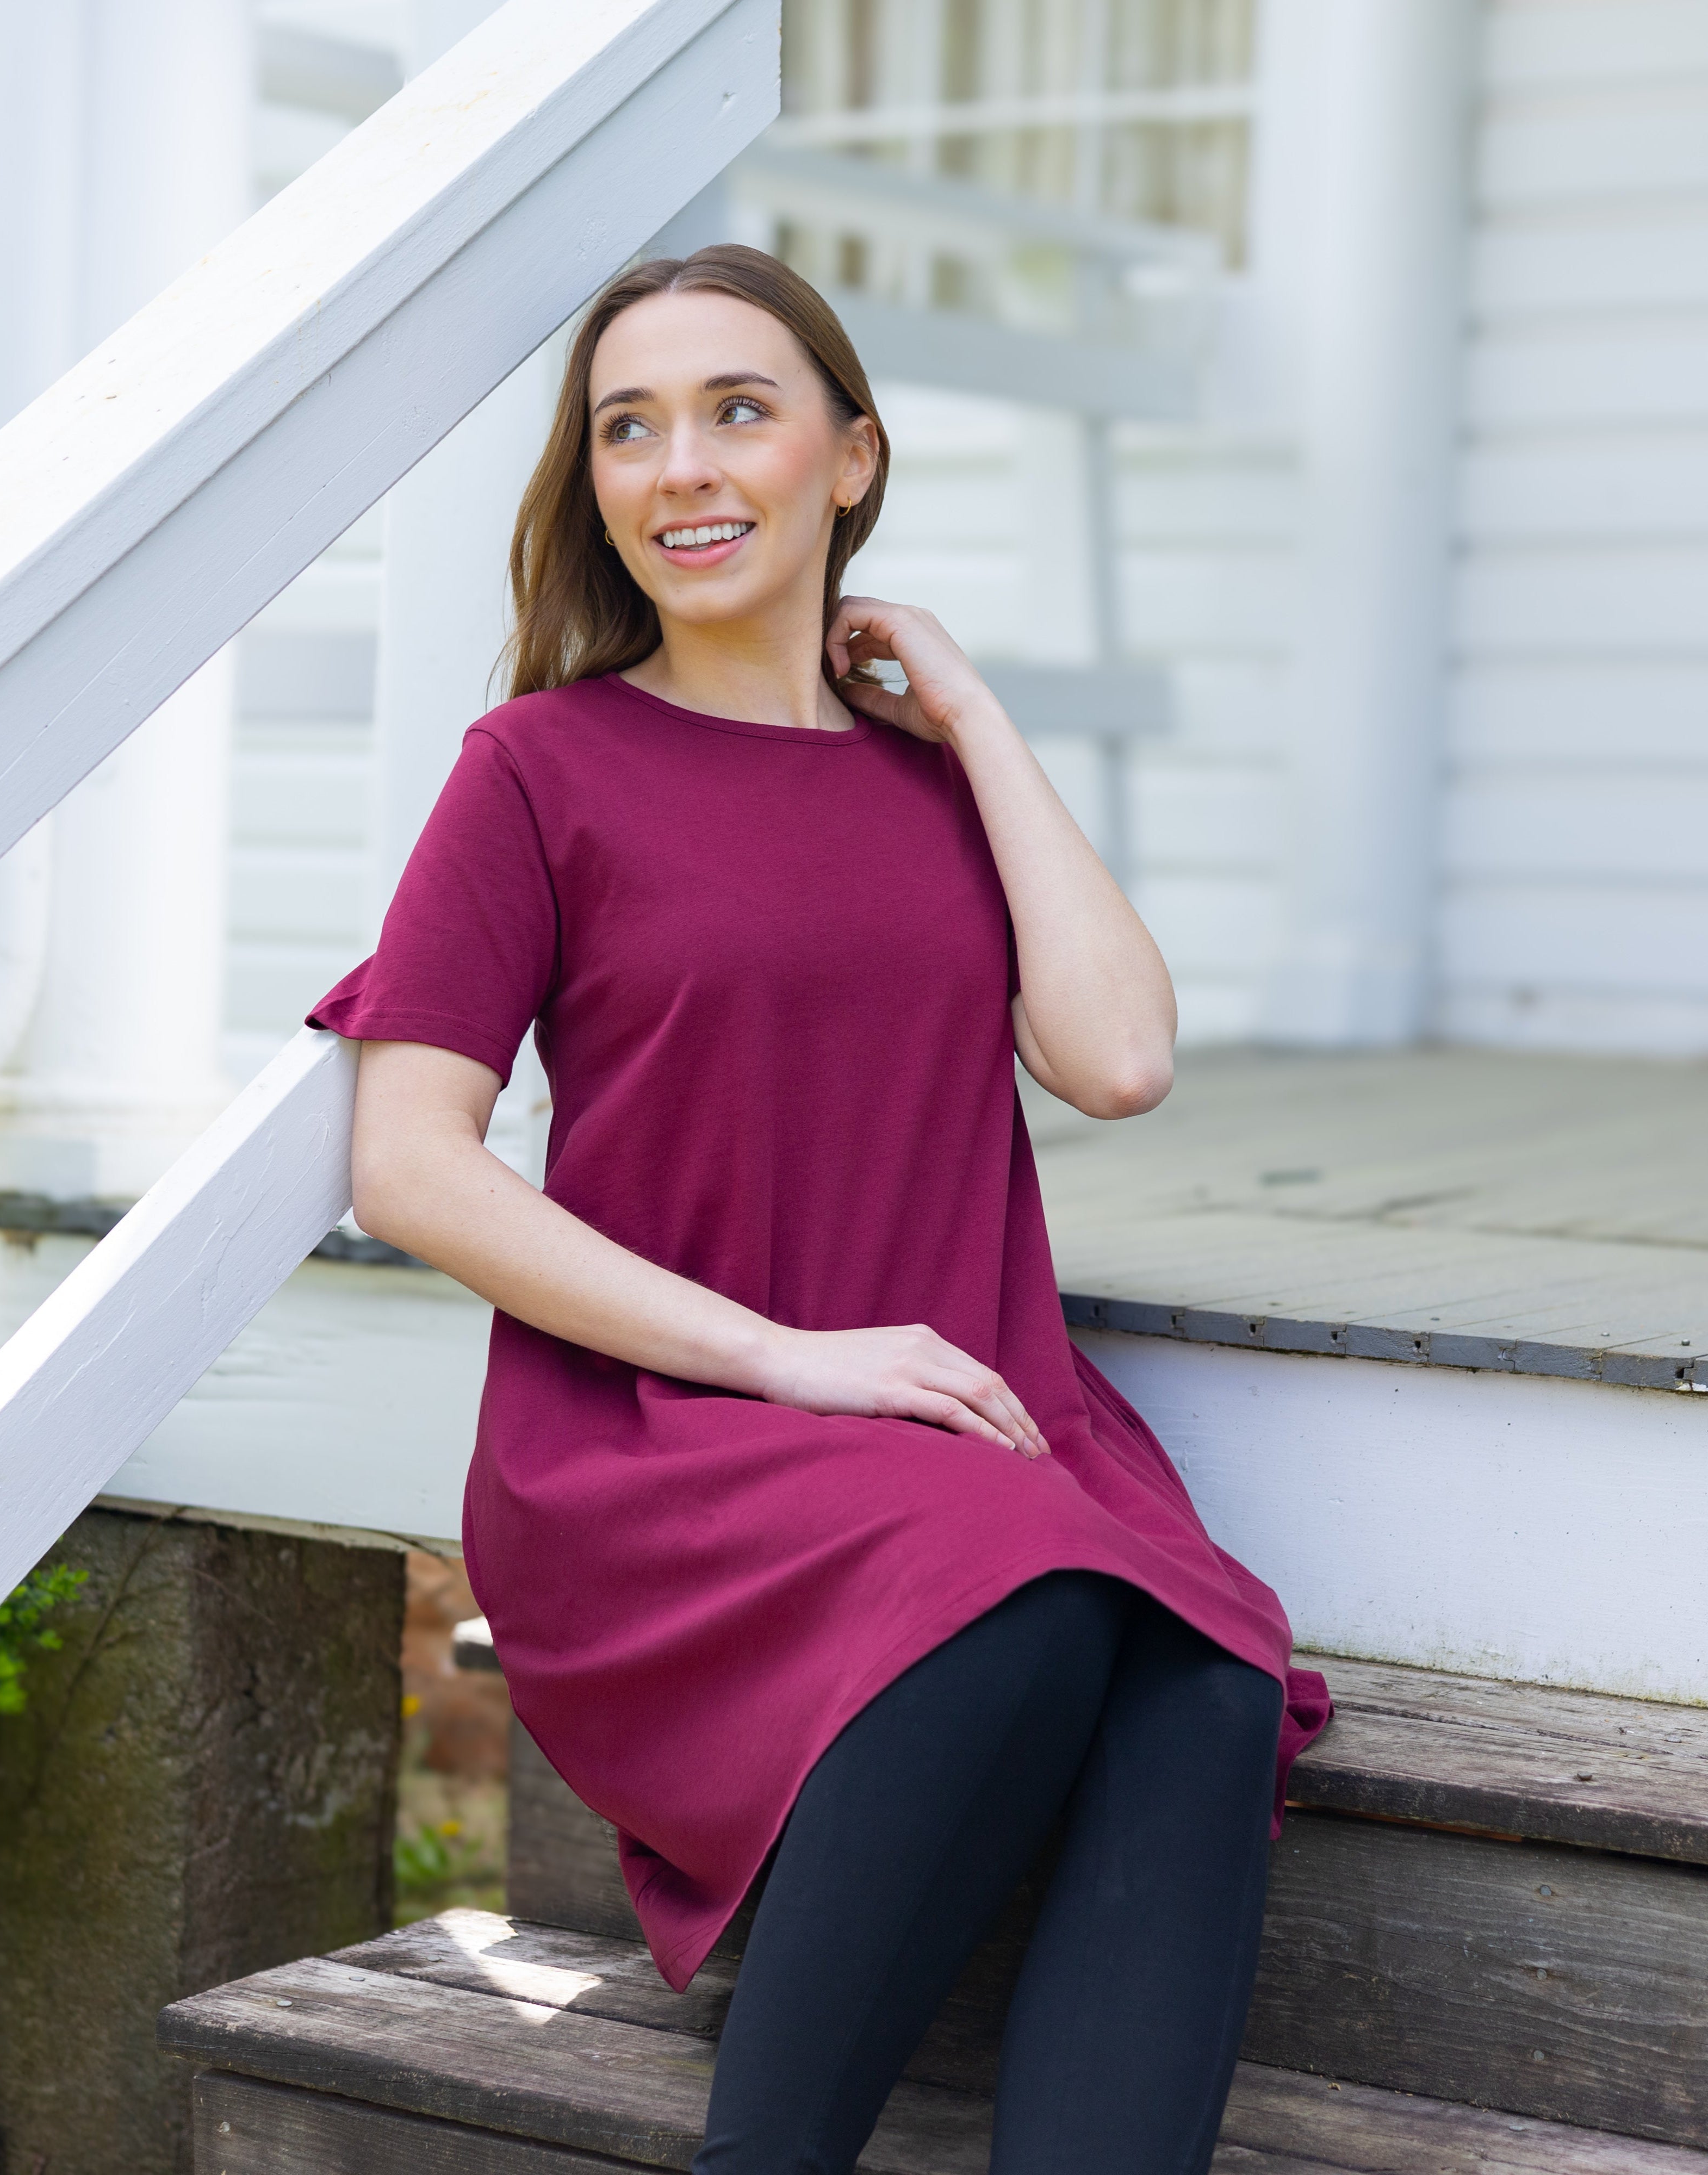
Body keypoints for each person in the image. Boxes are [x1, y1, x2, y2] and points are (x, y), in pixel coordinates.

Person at [309, 245, 1330, 2175]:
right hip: (668, 1443)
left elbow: (1116, 1059)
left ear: (853, 457)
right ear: (594, 484)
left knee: (1204, 1686)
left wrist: (967, 708)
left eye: (737, 412)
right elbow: (412, 1161)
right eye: (630, 427)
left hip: (955, 1409)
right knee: (1026, 1607)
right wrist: (789, 1359)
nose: (680, 467)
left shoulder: (939, 782)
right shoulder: (537, 771)